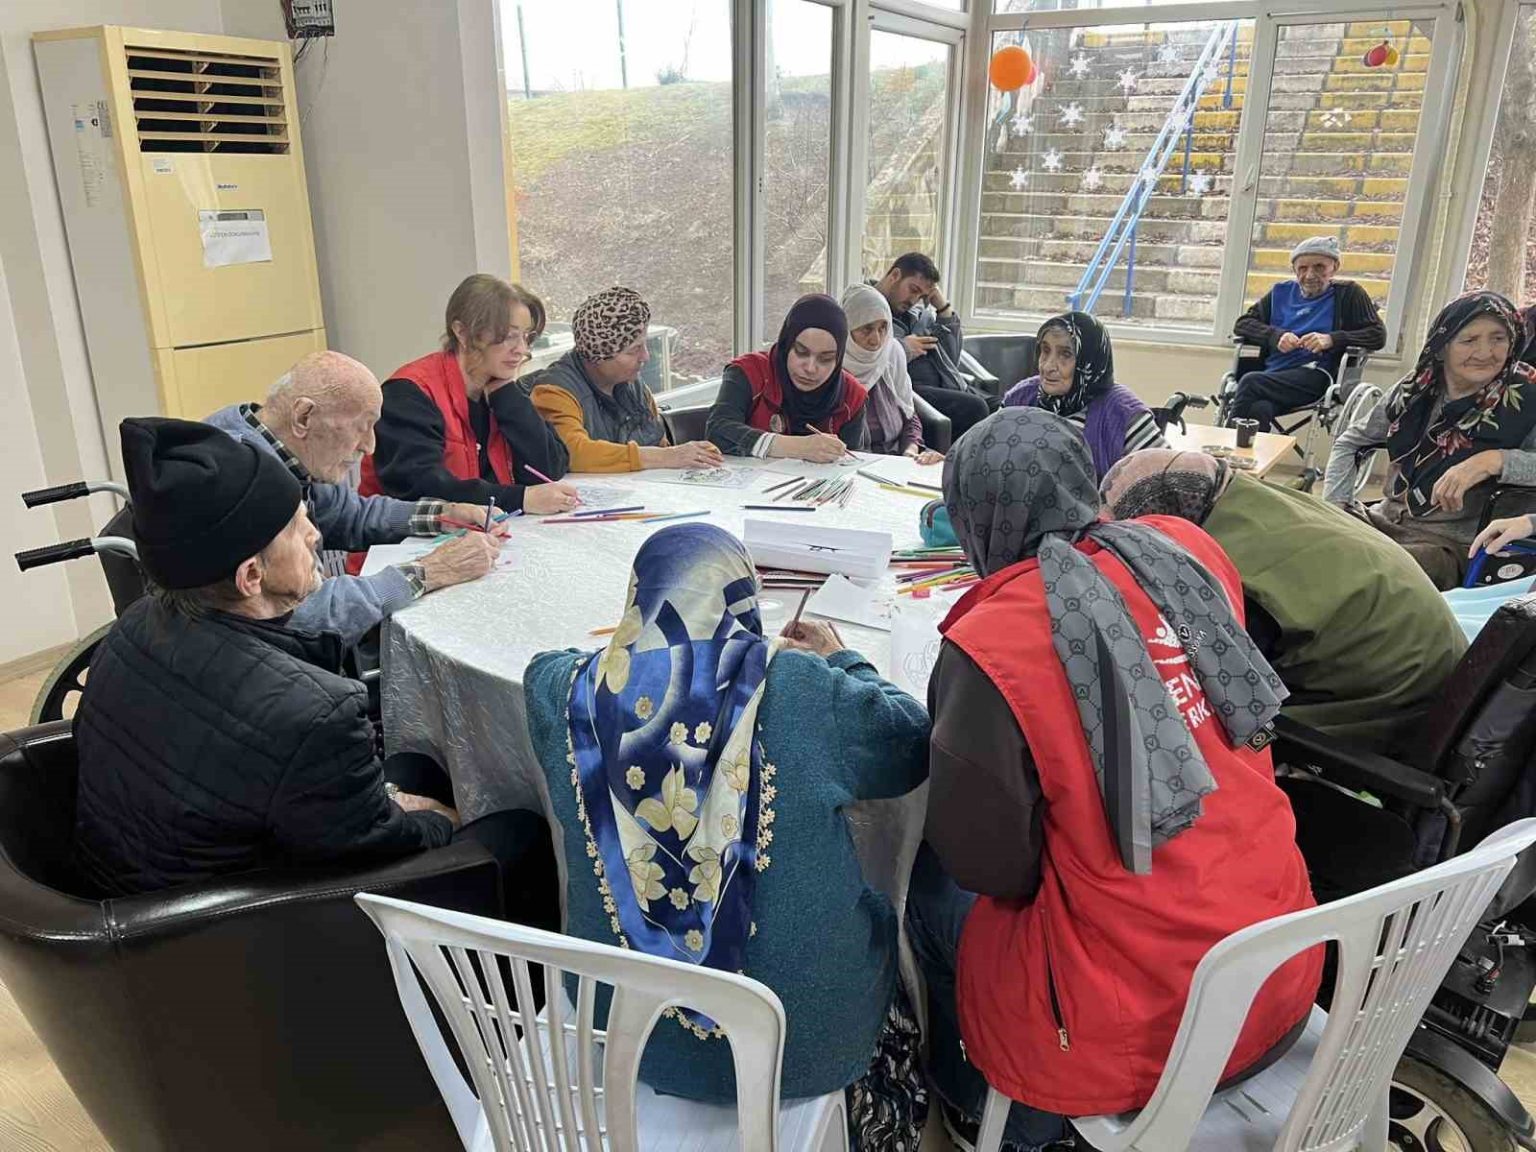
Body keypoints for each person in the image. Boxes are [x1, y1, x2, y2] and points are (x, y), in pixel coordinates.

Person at [906, 408, 1320, 1151]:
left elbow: (991, 870)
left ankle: (1003, 1117)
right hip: (1278, 963)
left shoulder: (993, 639)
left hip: (1145, 1026)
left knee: (927, 888)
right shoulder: (1184, 549)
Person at [523, 524, 931, 1146]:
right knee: (886, 924)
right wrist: (840, 657)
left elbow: (541, 665)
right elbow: (911, 739)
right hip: (802, 1046)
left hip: (624, 1033)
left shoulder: (563, 693)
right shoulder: (802, 690)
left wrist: (634, 658)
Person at [72, 417, 559, 926]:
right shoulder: (313, 713)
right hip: (234, 931)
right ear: (251, 576)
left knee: (419, 761)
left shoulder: (134, 626)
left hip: (142, 879)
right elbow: (377, 845)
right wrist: (439, 820)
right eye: (294, 526)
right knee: (520, 828)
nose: (315, 535)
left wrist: (393, 798)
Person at [1101, 450, 1466, 755]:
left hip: (1400, 704)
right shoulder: (1255, 499)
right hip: (1430, 658)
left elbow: (1229, 696)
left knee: (1195, 735)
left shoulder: (1239, 577)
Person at [206, 351, 509, 647]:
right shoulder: (238, 484)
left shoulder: (283, 448)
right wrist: (433, 571)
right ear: (304, 416)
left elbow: (348, 514)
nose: (370, 446)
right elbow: (302, 613)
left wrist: (443, 514)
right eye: (362, 427)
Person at [1324, 291, 1536, 590]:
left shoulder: (1528, 396)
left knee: (1363, 573)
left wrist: (1494, 460)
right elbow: (1352, 442)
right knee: (1296, 538)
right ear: (1442, 345)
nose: (1485, 352)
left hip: (1447, 545)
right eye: (1469, 340)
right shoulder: (1416, 388)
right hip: (1381, 520)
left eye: (1498, 339)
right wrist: (1336, 506)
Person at [363, 274, 581, 514]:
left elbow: (551, 468)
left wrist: (509, 399)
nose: (521, 349)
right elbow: (420, 489)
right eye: (509, 336)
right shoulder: (409, 394)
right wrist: (520, 499)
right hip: (406, 536)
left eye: (526, 336)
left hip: (487, 529)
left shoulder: (496, 389)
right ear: (463, 333)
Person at [529, 286, 723, 472]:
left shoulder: (635, 386)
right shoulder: (553, 392)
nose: (646, 357)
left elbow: (659, 444)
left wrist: (694, 455)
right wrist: (667, 456)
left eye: (644, 345)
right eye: (633, 350)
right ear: (599, 355)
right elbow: (575, 453)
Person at [1228, 236, 1387, 430]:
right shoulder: (1280, 293)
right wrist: (1275, 336)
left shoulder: (1349, 293)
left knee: (1250, 382)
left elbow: (1377, 334)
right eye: (1302, 268)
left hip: (1316, 376)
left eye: (1319, 267)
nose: (1310, 275)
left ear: (1334, 267)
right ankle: (1251, 450)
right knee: (1259, 409)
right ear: (1294, 270)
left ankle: (1223, 444)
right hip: (1273, 376)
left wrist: (1331, 339)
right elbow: (1243, 324)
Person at [1001, 311, 1165, 480]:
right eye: (1045, 350)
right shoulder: (1019, 398)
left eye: (1065, 354)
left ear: (1089, 361)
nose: (1047, 366)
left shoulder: (1122, 412)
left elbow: (1165, 479)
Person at [707, 294, 869, 461]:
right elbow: (718, 430)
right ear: (786, 344)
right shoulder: (749, 372)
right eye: (801, 352)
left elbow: (854, 461)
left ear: (839, 359)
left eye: (825, 359)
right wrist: (797, 447)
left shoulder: (852, 395)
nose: (810, 368)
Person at [872, 252, 993, 439]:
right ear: (895, 275)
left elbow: (951, 359)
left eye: (921, 296)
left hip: (947, 384)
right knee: (976, 408)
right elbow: (861, 358)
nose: (914, 300)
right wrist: (903, 348)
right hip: (910, 389)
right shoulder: (867, 307)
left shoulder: (918, 315)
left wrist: (943, 309)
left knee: (1001, 407)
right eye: (913, 289)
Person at [840, 283, 943, 462]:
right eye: (866, 328)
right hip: (853, 464)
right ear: (847, 329)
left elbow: (909, 416)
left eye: (883, 328)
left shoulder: (892, 353)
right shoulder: (830, 366)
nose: (876, 340)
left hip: (898, 457)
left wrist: (911, 451)